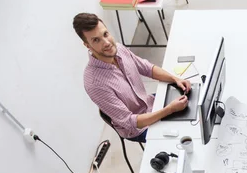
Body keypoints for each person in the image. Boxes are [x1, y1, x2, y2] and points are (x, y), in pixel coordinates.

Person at [73, 13, 190, 143]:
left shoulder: (118, 49)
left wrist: (175, 79)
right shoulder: (95, 84)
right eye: (96, 40)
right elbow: (130, 122)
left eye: (105, 34)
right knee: (183, 135)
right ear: (87, 45)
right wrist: (170, 110)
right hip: (138, 128)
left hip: (148, 103)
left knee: (191, 101)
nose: (106, 43)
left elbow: (146, 68)